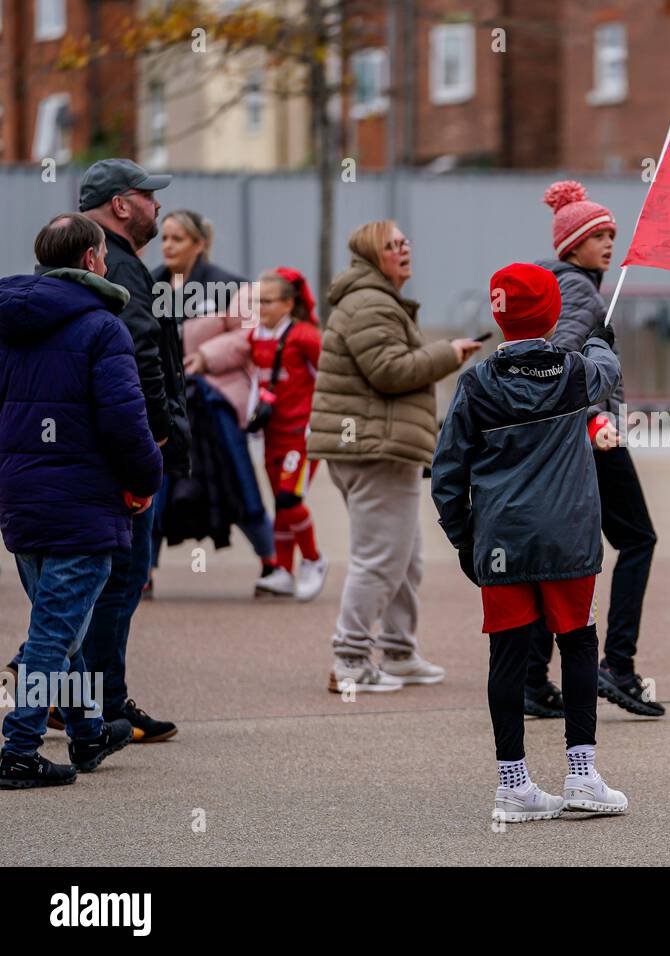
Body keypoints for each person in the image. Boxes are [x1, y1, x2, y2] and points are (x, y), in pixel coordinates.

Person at [431, 262, 628, 823]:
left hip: (502, 538)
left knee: (508, 653)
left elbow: (447, 470)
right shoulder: (574, 374)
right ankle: (583, 774)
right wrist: (597, 336)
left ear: (497, 311)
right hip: (568, 537)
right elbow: (606, 369)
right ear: (552, 312)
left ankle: (512, 782)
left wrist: (464, 539)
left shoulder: (476, 383)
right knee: (579, 642)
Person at [0, 213, 162, 788]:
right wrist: (145, 480)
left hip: (24, 502)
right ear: (93, 260)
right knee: (53, 632)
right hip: (83, 505)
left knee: (62, 624)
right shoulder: (101, 327)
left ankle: (89, 730)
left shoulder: (9, 323)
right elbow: (126, 422)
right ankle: (19, 748)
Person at [307, 221, 482, 691]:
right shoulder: (371, 302)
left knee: (404, 558)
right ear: (372, 255)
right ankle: (350, 659)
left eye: (405, 241)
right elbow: (388, 371)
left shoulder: (375, 299)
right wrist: (448, 353)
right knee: (381, 559)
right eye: (392, 245)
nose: (404, 249)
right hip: (373, 450)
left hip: (373, 447)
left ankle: (400, 651)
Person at [534, 180, 664, 717]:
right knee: (637, 539)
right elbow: (553, 363)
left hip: (569, 439)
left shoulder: (560, 284)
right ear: (573, 244)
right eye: (598, 235)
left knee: (560, 554)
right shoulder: (580, 290)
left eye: (612, 233)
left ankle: (530, 678)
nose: (610, 243)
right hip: (588, 439)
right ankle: (619, 664)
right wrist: (593, 419)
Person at [78, 159, 188, 742]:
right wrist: (160, 433)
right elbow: (144, 353)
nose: (158, 206)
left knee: (92, 582)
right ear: (122, 205)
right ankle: (105, 707)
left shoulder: (94, 261)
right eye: (150, 197)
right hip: (128, 450)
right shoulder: (120, 265)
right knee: (120, 579)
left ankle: (70, 695)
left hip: (94, 449)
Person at [154, 209, 280, 597]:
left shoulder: (230, 286)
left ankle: (272, 563)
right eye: (164, 238)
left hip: (216, 398)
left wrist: (206, 357)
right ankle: (142, 571)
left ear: (199, 244)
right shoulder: (150, 284)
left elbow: (249, 337)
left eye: (177, 238)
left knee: (238, 478)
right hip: (167, 401)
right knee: (155, 482)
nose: (168, 246)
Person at [188, 269, 327, 599]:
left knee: (289, 498)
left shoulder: (306, 336)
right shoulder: (256, 336)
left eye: (266, 302)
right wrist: (201, 358)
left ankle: (313, 560)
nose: (259, 308)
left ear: (288, 304)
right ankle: (281, 569)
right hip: (272, 434)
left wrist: (323, 423)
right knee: (279, 502)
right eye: (256, 302)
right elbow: (232, 347)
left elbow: (332, 377)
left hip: (301, 433)